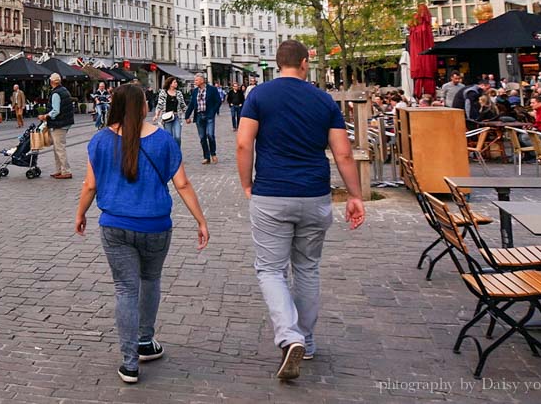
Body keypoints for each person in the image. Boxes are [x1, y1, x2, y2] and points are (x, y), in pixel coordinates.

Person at [236, 40, 365, 381]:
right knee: (307, 268)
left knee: (270, 270)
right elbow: (343, 153)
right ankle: (305, 341)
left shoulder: (259, 96)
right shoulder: (323, 100)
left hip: (272, 193)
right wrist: (355, 194)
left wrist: (247, 183)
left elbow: (243, 142)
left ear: (278, 63)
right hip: (314, 194)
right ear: (305, 63)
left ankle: (289, 335)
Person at [74, 84, 209, 384]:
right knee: (150, 280)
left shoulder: (99, 140)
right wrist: (200, 220)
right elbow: (182, 184)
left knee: (125, 289)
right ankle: (146, 340)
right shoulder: (163, 141)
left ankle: (129, 362)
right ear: (144, 107)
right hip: (155, 226)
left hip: (115, 226)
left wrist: (81, 213)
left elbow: (90, 185)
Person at [39, 73, 75, 178]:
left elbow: (55, 111)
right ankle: (59, 169)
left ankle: (66, 171)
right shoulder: (64, 90)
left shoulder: (56, 93)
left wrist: (45, 116)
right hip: (65, 122)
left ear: (51, 82)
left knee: (59, 148)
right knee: (57, 147)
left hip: (59, 123)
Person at [184, 73, 222, 164]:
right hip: (199, 116)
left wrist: (213, 112)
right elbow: (192, 104)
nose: (195, 82)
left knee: (210, 135)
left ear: (202, 80)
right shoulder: (195, 91)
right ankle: (206, 157)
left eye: (196, 80)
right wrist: (187, 116)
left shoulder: (212, 89)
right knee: (202, 137)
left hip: (209, 115)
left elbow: (218, 101)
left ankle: (213, 153)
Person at [155, 77, 185, 143]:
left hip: (177, 116)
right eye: (174, 82)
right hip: (167, 117)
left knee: (177, 137)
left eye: (176, 82)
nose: (176, 83)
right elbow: (159, 104)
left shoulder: (179, 93)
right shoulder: (163, 93)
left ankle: (177, 152)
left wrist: (187, 115)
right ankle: (171, 152)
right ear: (170, 84)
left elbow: (183, 104)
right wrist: (156, 115)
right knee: (169, 136)